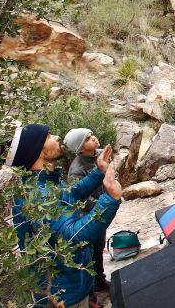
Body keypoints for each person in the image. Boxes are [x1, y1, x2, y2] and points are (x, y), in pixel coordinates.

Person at [6, 124, 123, 308]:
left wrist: (99, 172)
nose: (57, 137)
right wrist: (110, 199)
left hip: (74, 283)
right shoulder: (37, 195)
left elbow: (71, 194)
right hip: (64, 296)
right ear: (37, 151)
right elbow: (72, 237)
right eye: (48, 136)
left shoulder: (44, 182)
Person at [63, 128, 110, 302]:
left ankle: (100, 281)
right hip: (88, 217)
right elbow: (81, 198)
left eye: (91, 135)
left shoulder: (98, 155)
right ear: (81, 148)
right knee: (89, 253)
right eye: (88, 138)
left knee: (99, 248)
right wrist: (103, 203)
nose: (93, 138)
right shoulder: (76, 169)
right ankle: (90, 294)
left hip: (100, 212)